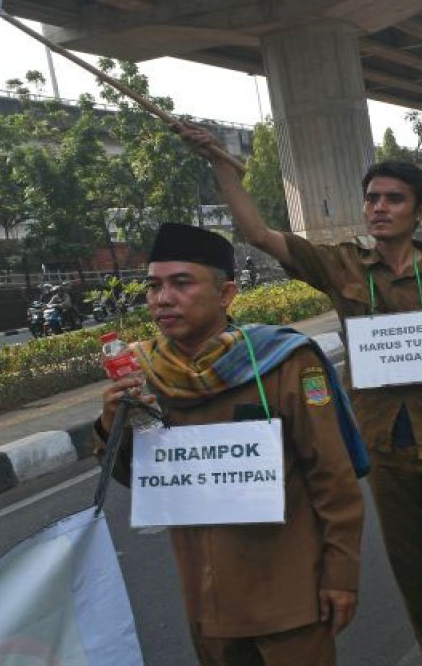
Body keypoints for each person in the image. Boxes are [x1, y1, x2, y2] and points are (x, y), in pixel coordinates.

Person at [197, 127, 422, 666]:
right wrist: (223, 169)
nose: (378, 208)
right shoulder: (342, 266)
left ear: (421, 211)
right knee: (414, 573)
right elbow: (257, 233)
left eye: (393, 199)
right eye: (372, 198)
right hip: (382, 439)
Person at [95, 222, 365, 666]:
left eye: (182, 284)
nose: (163, 299)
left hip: (290, 599)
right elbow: (139, 480)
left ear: (226, 294)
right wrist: (113, 423)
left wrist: (341, 574)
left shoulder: (283, 362)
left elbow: (332, 479)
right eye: (154, 286)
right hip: (207, 603)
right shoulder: (146, 374)